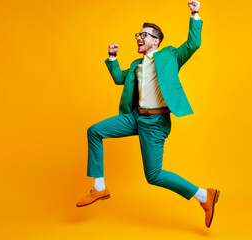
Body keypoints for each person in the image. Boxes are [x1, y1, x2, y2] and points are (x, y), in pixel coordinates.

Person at [76, 0, 220, 228]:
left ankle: (203, 195)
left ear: (156, 40)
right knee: (94, 131)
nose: (139, 38)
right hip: (135, 117)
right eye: (138, 34)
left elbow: (194, 44)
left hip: (155, 122)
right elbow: (119, 78)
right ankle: (100, 187)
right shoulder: (136, 64)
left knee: (153, 175)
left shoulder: (171, 56)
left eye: (144, 34)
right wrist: (112, 58)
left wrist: (195, 14)